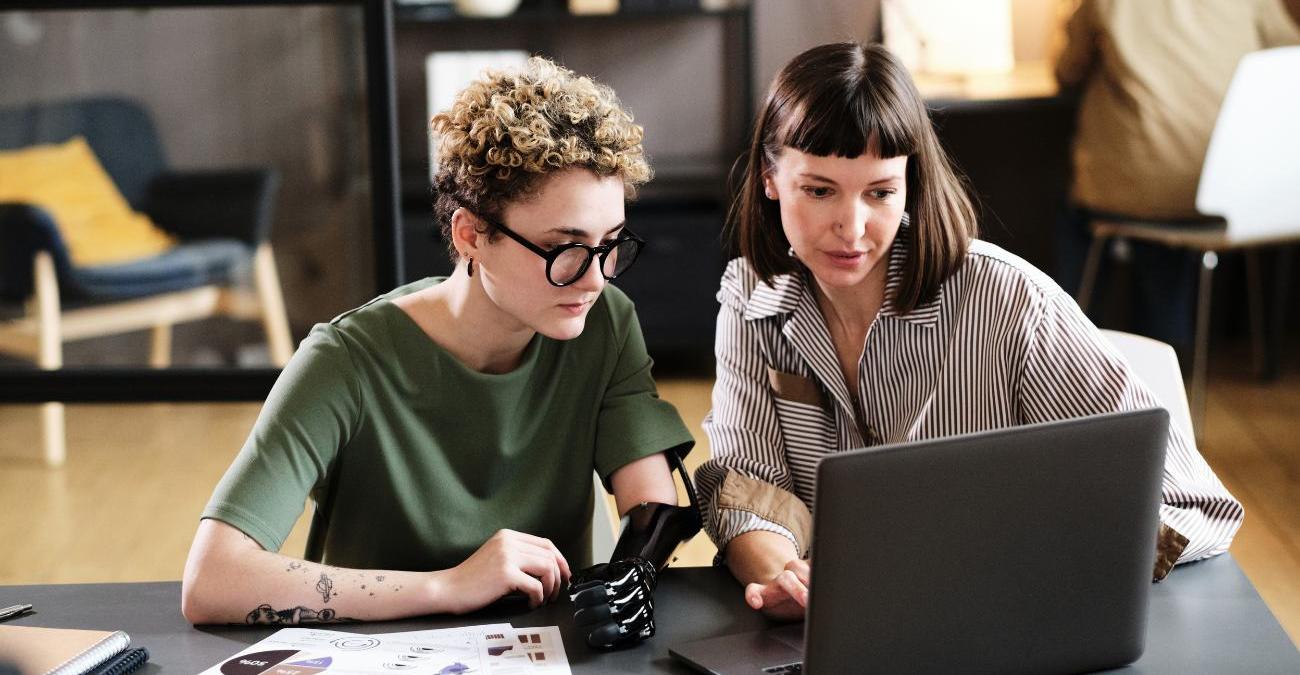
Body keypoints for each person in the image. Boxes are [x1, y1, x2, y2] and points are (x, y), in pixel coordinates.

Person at [696, 42, 1244, 621]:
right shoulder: (749, 296)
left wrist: (1031, 569)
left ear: (911, 184)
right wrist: (787, 582)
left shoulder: (1010, 302)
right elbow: (748, 484)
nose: (851, 228)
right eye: (819, 190)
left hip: (1001, 623)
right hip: (837, 638)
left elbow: (1192, 503)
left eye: (880, 192)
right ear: (770, 177)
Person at [181, 57, 698, 632]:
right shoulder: (344, 362)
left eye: (610, 245)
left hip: (545, 653)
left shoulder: (605, 322)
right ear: (471, 234)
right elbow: (214, 580)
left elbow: (651, 504)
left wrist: (633, 574)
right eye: (565, 248)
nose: (595, 278)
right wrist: (449, 586)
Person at [1053, 0, 1300, 351]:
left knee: (1080, 213)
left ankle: (1066, 350)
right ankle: (1167, 351)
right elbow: (1288, 53)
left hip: (1142, 190)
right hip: (1232, 191)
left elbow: (1067, 70)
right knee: (1161, 234)